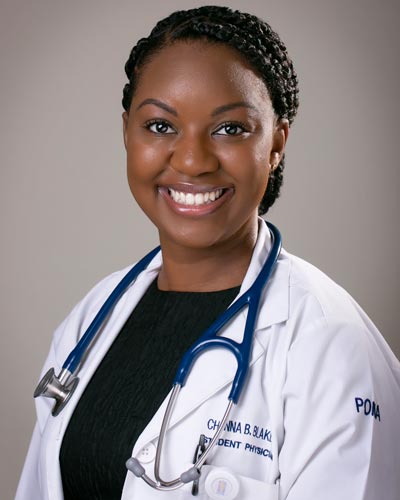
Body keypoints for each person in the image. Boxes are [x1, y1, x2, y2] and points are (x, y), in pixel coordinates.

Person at [16, 5, 400, 500]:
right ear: (127, 132)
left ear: (277, 144)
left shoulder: (331, 345)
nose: (193, 160)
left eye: (230, 129)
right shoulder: (92, 317)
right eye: (160, 126)